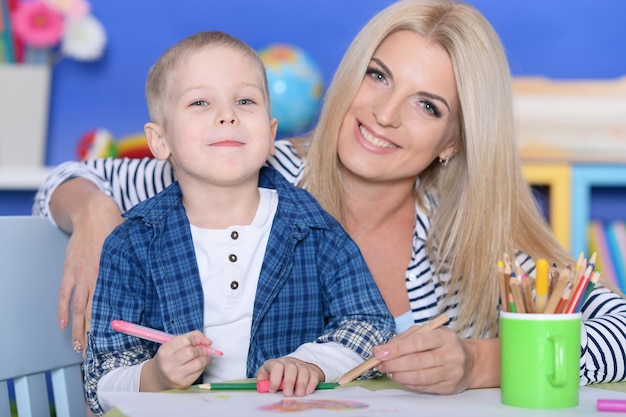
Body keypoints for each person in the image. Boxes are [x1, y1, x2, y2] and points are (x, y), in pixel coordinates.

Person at [35, 0, 626, 396]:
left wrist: (480, 364)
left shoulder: (462, 239)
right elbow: (66, 179)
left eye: (428, 106)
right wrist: (93, 212)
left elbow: (616, 329)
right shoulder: (251, 169)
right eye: (378, 76)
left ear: (453, 143)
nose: (384, 115)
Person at [80, 30, 395, 416]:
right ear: (160, 141)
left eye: (245, 100)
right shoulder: (130, 245)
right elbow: (99, 383)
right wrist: (155, 376)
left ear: (271, 133)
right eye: (199, 101)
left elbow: (371, 325)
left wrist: (312, 363)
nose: (227, 114)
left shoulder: (314, 228)